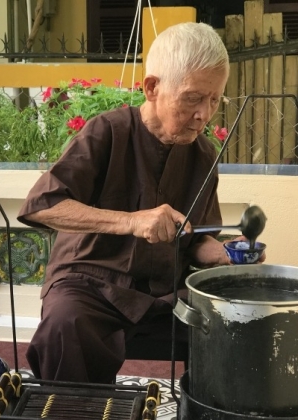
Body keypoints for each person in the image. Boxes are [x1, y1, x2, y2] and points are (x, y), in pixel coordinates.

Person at [18, 22, 244, 384]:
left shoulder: (203, 155)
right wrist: (132, 220)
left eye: (214, 99)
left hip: (165, 292)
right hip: (91, 286)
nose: (205, 114)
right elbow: (42, 205)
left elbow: (195, 236)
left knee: (235, 325)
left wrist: (220, 252)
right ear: (152, 87)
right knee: (66, 324)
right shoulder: (106, 131)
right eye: (192, 97)